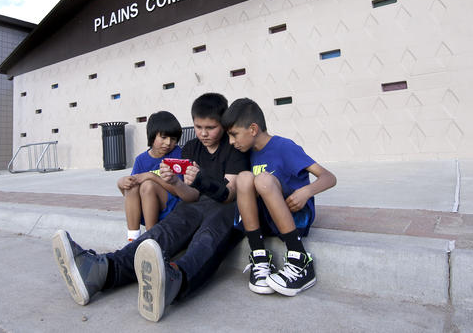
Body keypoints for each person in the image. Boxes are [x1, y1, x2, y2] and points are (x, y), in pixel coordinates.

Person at [51, 93, 249, 322]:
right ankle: (102, 271)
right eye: (198, 127)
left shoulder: (234, 146)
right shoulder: (192, 149)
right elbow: (191, 195)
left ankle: (175, 280)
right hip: (197, 203)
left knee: (207, 236)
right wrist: (174, 182)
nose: (203, 133)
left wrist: (202, 179)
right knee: (163, 231)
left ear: (223, 125)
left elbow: (229, 194)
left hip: (228, 208)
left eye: (210, 127)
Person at [221, 97, 336, 296]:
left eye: (234, 135)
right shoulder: (247, 153)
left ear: (253, 129)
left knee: (263, 180)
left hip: (295, 216)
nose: (231, 142)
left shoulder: (284, 146)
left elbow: (329, 177)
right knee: (245, 178)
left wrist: (306, 191)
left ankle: (299, 258)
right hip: (267, 220)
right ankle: (259, 256)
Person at [117, 111, 186, 241]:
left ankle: (151, 237)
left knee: (148, 185)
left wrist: (152, 176)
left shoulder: (177, 154)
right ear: (152, 136)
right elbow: (130, 192)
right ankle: (133, 238)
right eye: (164, 137)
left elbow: (179, 191)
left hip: (171, 207)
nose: (168, 143)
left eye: (173, 139)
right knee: (132, 186)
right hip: (146, 208)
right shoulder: (141, 160)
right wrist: (121, 183)